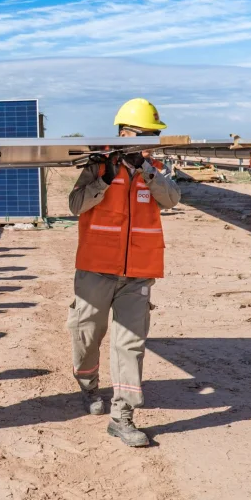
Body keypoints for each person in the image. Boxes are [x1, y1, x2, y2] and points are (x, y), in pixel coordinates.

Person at [67, 98, 181, 447]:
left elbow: (172, 199)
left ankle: (123, 416)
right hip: (95, 269)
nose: (152, 142)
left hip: (139, 272)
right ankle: (88, 385)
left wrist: (146, 170)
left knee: (130, 343)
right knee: (86, 333)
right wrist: (105, 180)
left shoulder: (153, 168)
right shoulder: (98, 165)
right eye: (147, 135)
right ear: (126, 133)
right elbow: (75, 205)